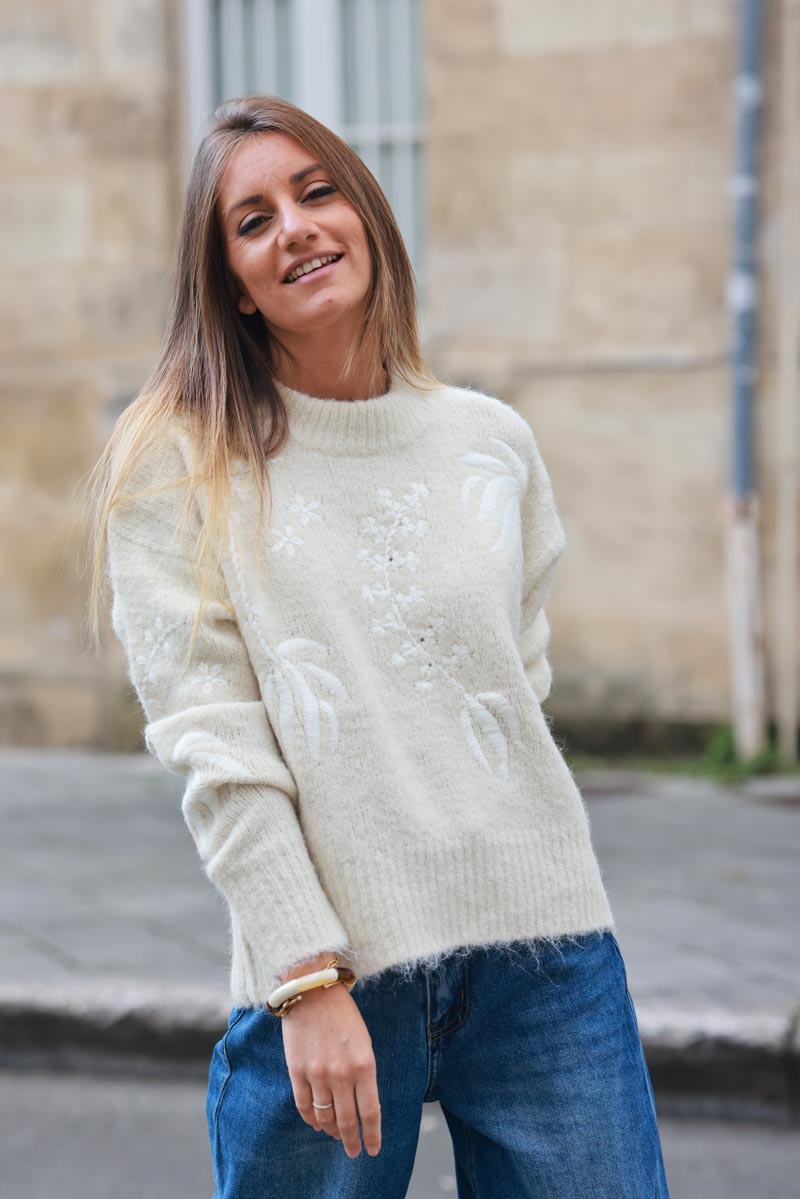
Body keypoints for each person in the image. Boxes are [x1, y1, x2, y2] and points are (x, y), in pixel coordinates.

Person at [86, 94, 670, 1198]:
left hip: (543, 943)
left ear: (367, 213)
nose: (294, 227)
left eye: (316, 191)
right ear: (232, 285)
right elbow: (214, 739)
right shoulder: (179, 464)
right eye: (250, 221)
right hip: (331, 968)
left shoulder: (489, 443)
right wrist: (304, 978)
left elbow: (516, 673)